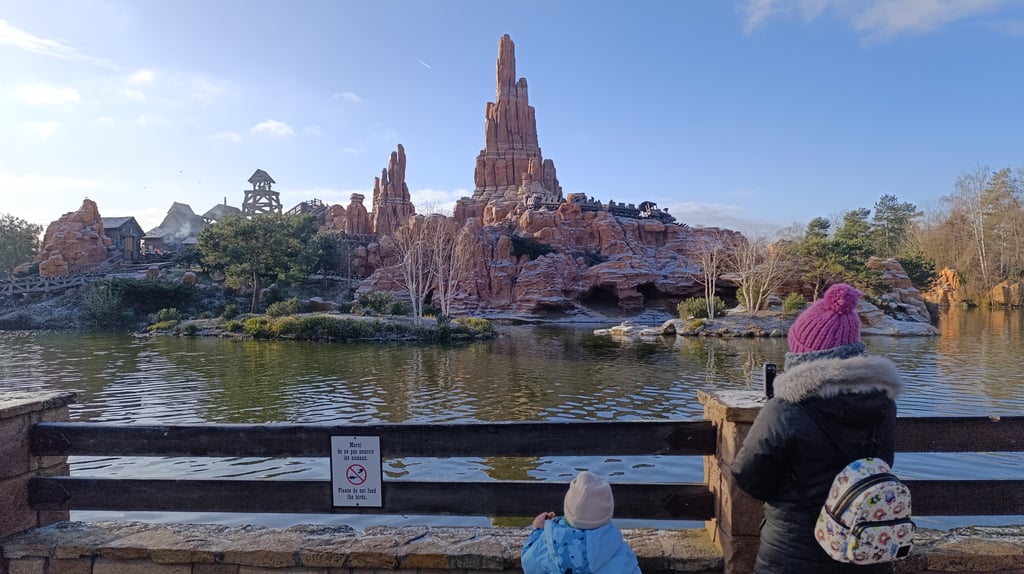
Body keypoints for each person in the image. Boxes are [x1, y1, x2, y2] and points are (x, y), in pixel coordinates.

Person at [732, 283, 904, 573]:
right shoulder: (883, 402)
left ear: (802, 351)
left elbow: (750, 476)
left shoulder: (785, 407)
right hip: (864, 547)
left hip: (794, 552)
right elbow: (882, 463)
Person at [520, 470, 642, 574]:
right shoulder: (619, 550)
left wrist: (537, 531)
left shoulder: (548, 543)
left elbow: (528, 565)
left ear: (567, 509)